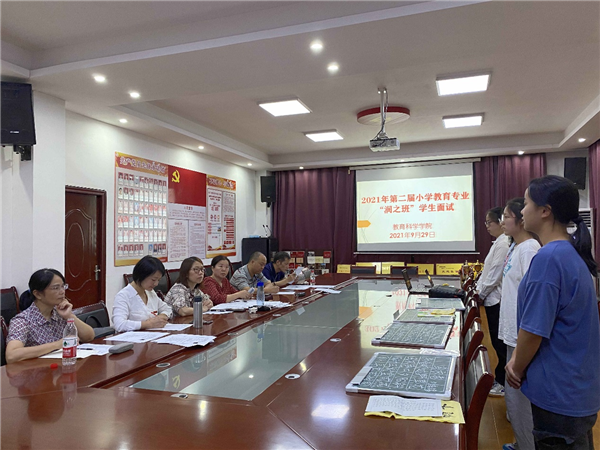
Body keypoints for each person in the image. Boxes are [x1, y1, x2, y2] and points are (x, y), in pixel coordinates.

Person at [506, 175, 599, 450]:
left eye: (526, 203)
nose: (523, 211)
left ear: (545, 211)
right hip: (575, 387)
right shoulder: (569, 252)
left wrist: (515, 367)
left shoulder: (548, 258)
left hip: (558, 390)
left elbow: (534, 329)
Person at [499, 197, 541, 450]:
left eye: (506, 216)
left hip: (521, 335)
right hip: (512, 333)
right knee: (514, 400)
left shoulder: (530, 250)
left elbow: (534, 300)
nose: (502, 221)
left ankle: (527, 446)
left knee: (521, 400)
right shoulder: (516, 247)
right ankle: (521, 443)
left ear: (520, 220)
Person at [5, 269, 95, 364]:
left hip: (61, 366)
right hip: (36, 370)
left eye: (63, 286)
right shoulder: (22, 320)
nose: (62, 292)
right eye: (56, 288)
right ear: (38, 294)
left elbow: (89, 337)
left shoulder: (59, 313)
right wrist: (57, 345)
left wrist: (69, 316)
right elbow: (11, 356)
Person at [477, 206, 510, 397]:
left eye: (490, 222)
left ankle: (503, 382)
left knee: (500, 344)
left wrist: (481, 294)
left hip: (496, 300)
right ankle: (501, 379)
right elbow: (487, 272)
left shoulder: (504, 243)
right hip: (492, 299)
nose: (487, 226)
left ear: (500, 222)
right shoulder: (498, 242)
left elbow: (494, 275)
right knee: (497, 343)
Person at [112, 255, 172, 332]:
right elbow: (119, 325)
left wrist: (161, 316)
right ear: (141, 275)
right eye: (153, 280)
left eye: (158, 280)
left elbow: (167, 309)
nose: (156, 284)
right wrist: (147, 324)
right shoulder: (123, 296)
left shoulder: (150, 292)